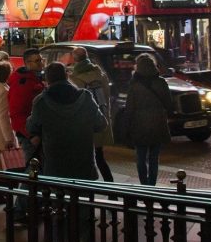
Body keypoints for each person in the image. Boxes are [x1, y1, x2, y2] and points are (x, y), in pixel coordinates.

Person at [27, 61, 106, 179]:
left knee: (56, 196)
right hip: (84, 168)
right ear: (67, 75)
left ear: (47, 79)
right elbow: (101, 124)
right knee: (82, 197)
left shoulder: (41, 102)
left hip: (55, 168)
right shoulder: (86, 98)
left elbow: (31, 127)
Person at [120, 53, 172, 186]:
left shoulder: (134, 85)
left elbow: (129, 109)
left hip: (139, 126)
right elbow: (169, 104)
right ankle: (152, 185)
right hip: (158, 124)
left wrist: (125, 128)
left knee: (141, 158)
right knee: (154, 159)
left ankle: (144, 184)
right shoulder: (161, 82)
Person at [7, 48, 45, 221]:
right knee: (32, 170)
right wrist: (31, 135)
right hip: (30, 134)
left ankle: (35, 206)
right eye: (37, 61)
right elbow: (17, 113)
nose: (41, 62)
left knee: (38, 170)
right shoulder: (22, 82)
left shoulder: (34, 79)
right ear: (27, 63)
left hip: (37, 132)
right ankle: (19, 210)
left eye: (41, 59)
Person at [68, 46, 114, 181]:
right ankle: (112, 190)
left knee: (84, 159)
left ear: (75, 59)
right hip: (100, 119)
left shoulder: (75, 79)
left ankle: (87, 190)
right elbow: (107, 97)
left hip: (83, 125)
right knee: (99, 157)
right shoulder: (101, 75)